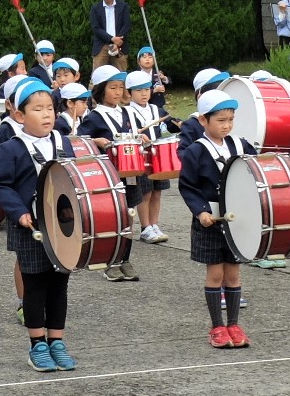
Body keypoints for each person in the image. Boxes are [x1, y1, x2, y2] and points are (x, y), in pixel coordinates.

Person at [0, 79, 79, 373]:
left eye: (50, 108)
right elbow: (0, 186)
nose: (46, 114)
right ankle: (36, 344)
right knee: (35, 285)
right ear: (19, 115)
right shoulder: (10, 148)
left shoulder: (63, 142)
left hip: (60, 226)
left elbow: (73, 180)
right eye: (37, 109)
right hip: (29, 227)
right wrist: (18, 212)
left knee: (59, 285)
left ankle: (57, 341)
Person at [180, 86, 256, 348]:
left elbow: (254, 173)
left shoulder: (240, 145)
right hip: (210, 220)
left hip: (237, 221)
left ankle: (233, 323)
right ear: (203, 120)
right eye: (221, 120)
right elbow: (187, 186)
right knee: (215, 274)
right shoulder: (196, 151)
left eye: (231, 120)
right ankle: (216, 327)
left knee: (233, 275)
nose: (227, 126)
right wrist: (200, 210)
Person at [80, 70, 142, 283]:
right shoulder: (94, 116)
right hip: (109, 175)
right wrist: (95, 141)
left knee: (130, 217)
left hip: (130, 173)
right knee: (114, 219)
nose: (118, 92)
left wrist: (140, 138)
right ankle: (110, 262)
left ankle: (125, 258)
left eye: (120, 87)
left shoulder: (128, 113)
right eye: (112, 88)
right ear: (100, 90)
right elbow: (79, 140)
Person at [126, 70, 172, 240]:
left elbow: (170, 122)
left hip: (158, 154)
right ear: (129, 93)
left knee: (157, 192)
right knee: (145, 193)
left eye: (146, 89)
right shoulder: (127, 112)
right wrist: (135, 134)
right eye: (138, 90)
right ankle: (145, 227)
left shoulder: (155, 109)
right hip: (141, 156)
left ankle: (154, 224)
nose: (143, 93)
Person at [90, 0, 130, 72]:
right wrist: (112, 38)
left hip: (120, 45)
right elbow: (96, 28)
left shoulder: (123, 6)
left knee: (121, 75)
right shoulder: (95, 8)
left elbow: (126, 25)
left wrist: (117, 41)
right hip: (101, 45)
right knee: (97, 75)